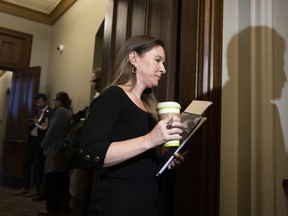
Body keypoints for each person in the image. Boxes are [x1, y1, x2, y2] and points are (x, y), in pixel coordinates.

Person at [80, 35, 186, 216]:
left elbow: (141, 159)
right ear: (134, 58)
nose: (163, 69)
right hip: (116, 207)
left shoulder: (149, 106)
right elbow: (89, 152)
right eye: (158, 60)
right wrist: (150, 139)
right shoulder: (112, 97)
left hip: (146, 206)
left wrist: (165, 158)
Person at [38, 92, 73, 216]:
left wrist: (43, 144)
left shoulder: (60, 112)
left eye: (54, 100)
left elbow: (53, 131)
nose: (53, 102)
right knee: (60, 180)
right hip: (61, 151)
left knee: (52, 180)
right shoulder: (67, 111)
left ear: (58, 101)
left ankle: (52, 208)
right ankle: (60, 207)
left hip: (56, 150)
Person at [13, 93, 51, 198]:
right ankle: (25, 186)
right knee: (25, 162)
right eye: (37, 102)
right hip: (32, 139)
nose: (38, 104)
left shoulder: (50, 112)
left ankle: (36, 188)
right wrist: (31, 124)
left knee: (37, 165)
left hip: (40, 141)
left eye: (40, 102)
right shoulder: (36, 111)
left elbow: (46, 128)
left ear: (45, 101)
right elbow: (34, 126)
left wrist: (36, 123)